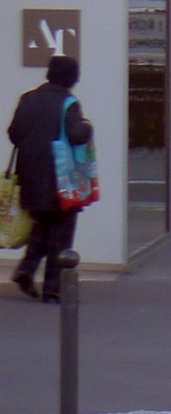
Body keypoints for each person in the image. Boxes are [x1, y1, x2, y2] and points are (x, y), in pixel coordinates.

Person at [8, 55, 93, 302]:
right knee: (62, 233)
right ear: (71, 77)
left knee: (42, 224)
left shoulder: (27, 99)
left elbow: (14, 133)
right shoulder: (69, 103)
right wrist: (87, 127)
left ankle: (26, 271)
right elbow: (76, 135)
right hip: (60, 179)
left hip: (29, 176)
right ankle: (52, 289)